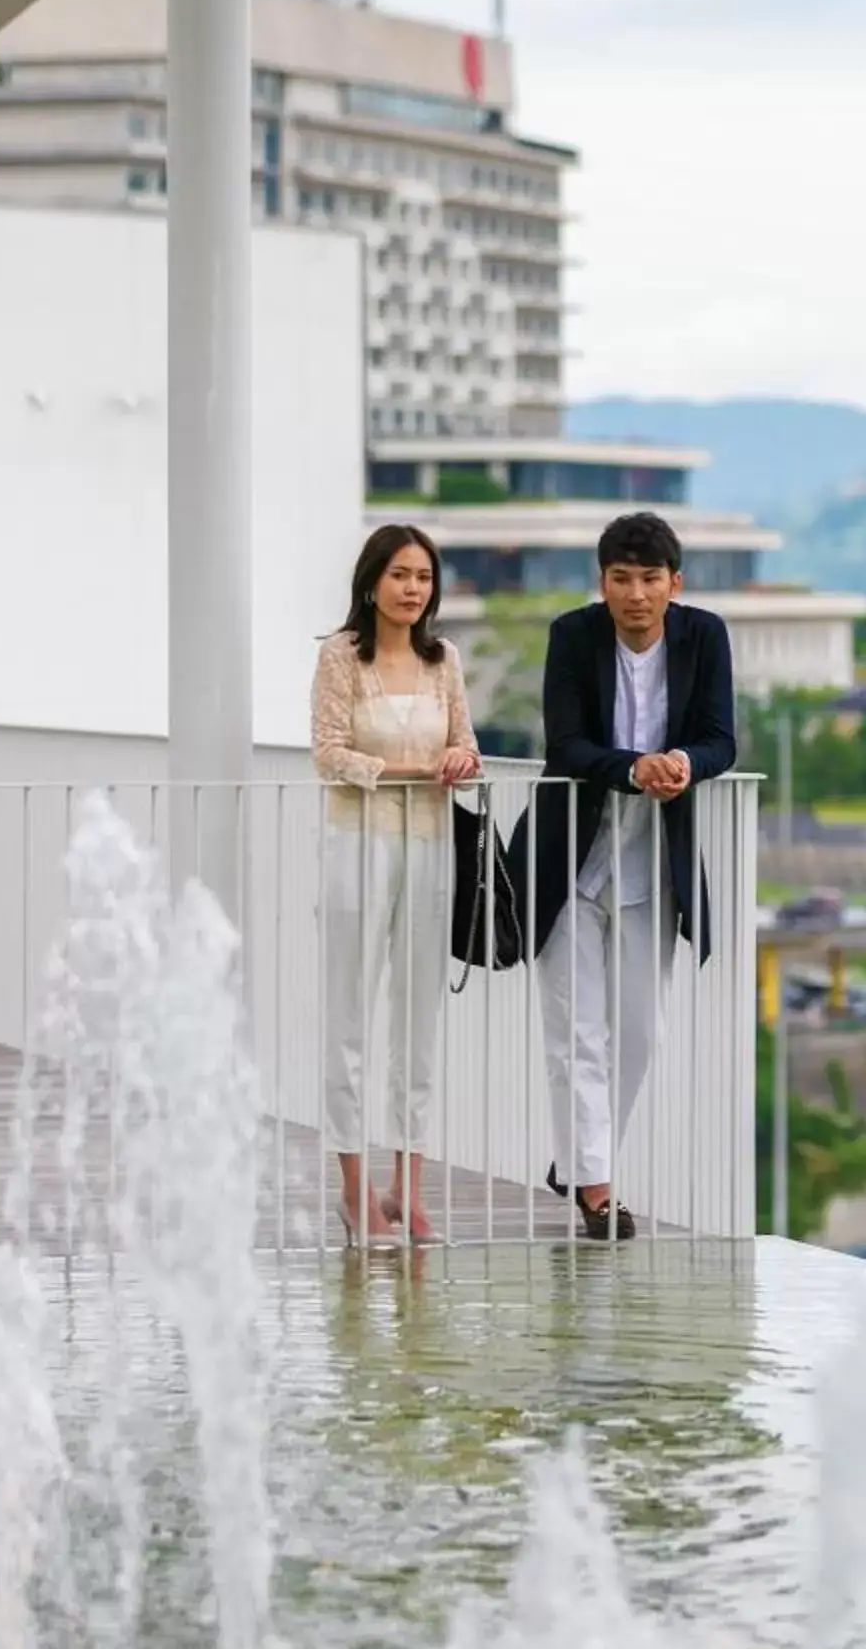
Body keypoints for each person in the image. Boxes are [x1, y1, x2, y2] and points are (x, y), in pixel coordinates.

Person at [527, 511, 736, 1241]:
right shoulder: (572, 635)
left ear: (675, 584)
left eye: (650, 579)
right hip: (568, 862)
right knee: (574, 1034)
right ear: (603, 583)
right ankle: (596, 1191)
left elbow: (720, 738)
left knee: (640, 1033)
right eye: (622, 579)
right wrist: (629, 768)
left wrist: (684, 764)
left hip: (656, 860)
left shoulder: (704, 636)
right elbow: (566, 744)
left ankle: (578, 1160)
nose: (636, 594)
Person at [310, 524, 481, 1244]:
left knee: (418, 1022)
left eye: (423, 577)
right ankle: (353, 1190)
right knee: (349, 1016)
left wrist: (460, 761)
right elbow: (327, 753)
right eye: (401, 575)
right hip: (357, 845)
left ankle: (405, 1188)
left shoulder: (445, 662)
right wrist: (403, 773)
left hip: (430, 847)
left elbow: (467, 741)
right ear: (373, 580)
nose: (413, 589)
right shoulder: (341, 656)